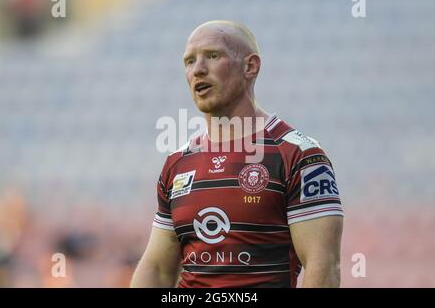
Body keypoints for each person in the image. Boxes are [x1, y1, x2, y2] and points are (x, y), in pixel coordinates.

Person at [131, 20, 344, 288]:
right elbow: (158, 268)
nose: (198, 70)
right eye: (189, 61)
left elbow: (322, 264)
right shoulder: (178, 164)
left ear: (250, 66)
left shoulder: (300, 155)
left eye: (213, 56)